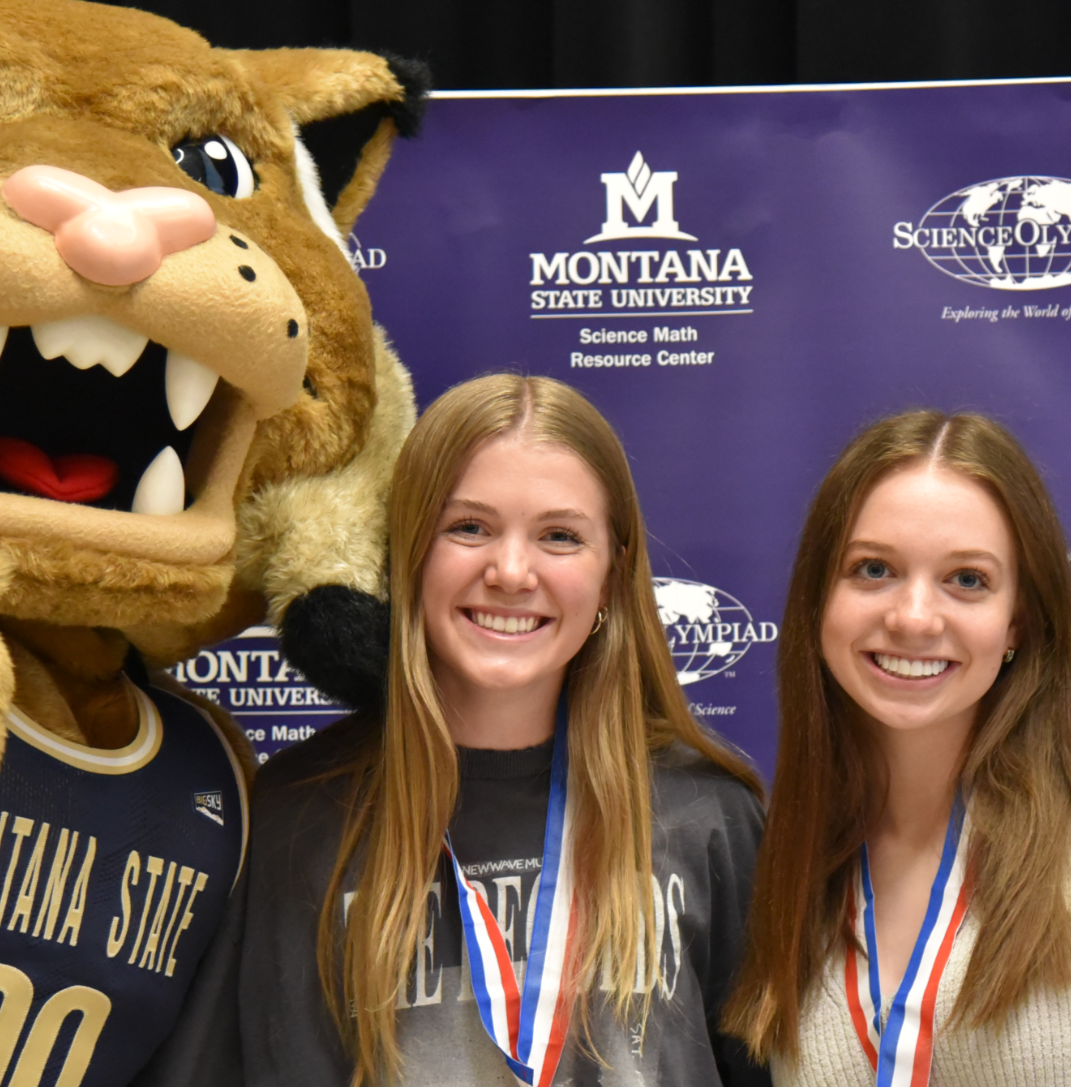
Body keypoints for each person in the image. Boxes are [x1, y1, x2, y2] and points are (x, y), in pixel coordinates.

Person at [237, 374, 768, 1086]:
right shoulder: (295, 815)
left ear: (611, 577)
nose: (512, 571)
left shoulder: (709, 814)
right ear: (407, 554)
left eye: (559, 536)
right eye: (469, 528)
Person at [722, 409, 1071, 1086]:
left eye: (967, 579)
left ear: (1018, 618)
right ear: (820, 598)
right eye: (873, 569)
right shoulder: (797, 855)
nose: (913, 617)